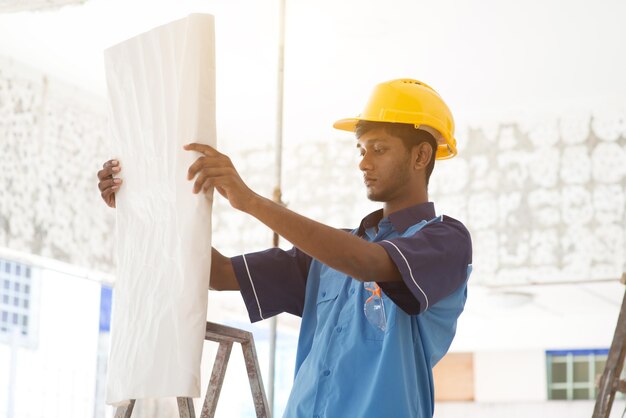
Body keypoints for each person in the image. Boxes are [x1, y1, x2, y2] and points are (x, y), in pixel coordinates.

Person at [97, 78, 472, 418]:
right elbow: (218, 273)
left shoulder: (446, 241)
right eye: (360, 149)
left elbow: (370, 264)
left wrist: (250, 200)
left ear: (421, 156)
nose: (363, 162)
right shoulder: (327, 257)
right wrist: (142, 208)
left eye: (378, 149)